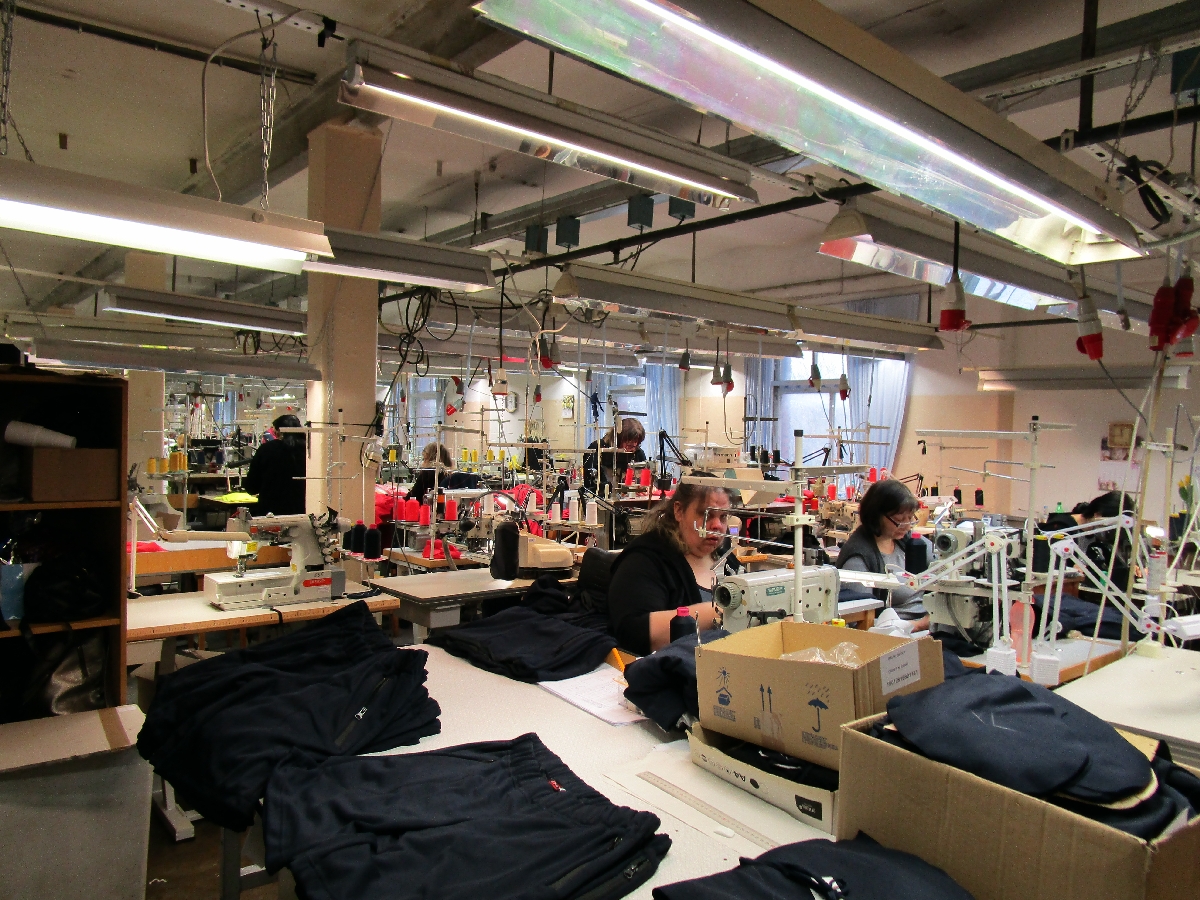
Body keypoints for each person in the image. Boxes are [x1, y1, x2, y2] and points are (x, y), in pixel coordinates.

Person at [606, 481, 739, 655]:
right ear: (679, 511)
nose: (717, 525)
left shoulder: (724, 556)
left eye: (723, 517)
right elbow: (633, 632)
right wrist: (722, 612)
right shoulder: (645, 560)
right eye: (705, 514)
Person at [836, 479, 931, 631]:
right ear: (876, 516)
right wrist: (919, 625)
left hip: (930, 621)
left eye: (911, 518)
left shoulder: (907, 540)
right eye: (899, 520)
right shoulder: (858, 559)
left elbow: (944, 564)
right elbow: (859, 621)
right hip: (899, 632)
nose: (907, 526)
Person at [243, 414, 306, 516]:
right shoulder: (309, 451)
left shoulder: (267, 450)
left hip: (271, 512)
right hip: (302, 511)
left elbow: (252, 487)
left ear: (277, 431)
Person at [583, 419, 647, 494]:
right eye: (629, 444)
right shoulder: (597, 448)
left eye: (637, 443)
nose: (634, 447)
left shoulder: (638, 453)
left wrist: (643, 487)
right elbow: (589, 483)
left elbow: (645, 482)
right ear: (618, 438)